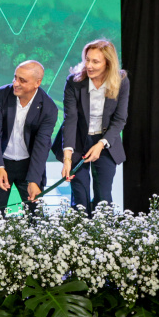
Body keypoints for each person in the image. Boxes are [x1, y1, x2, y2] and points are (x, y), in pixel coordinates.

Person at [52, 39, 129, 212]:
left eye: (95, 61)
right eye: (87, 59)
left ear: (108, 63)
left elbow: (119, 119)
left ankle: (102, 235)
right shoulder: (74, 81)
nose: (89, 65)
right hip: (77, 140)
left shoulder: (121, 81)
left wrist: (101, 144)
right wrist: (67, 158)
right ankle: (80, 234)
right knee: (80, 196)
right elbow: (70, 119)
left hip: (105, 141)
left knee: (103, 196)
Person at [0, 60, 57, 212]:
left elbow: (42, 146)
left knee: (33, 218)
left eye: (22, 80)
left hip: (29, 166)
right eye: (15, 78)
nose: (16, 83)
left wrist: (34, 179)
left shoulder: (48, 108)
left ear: (37, 83)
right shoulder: (0, 95)